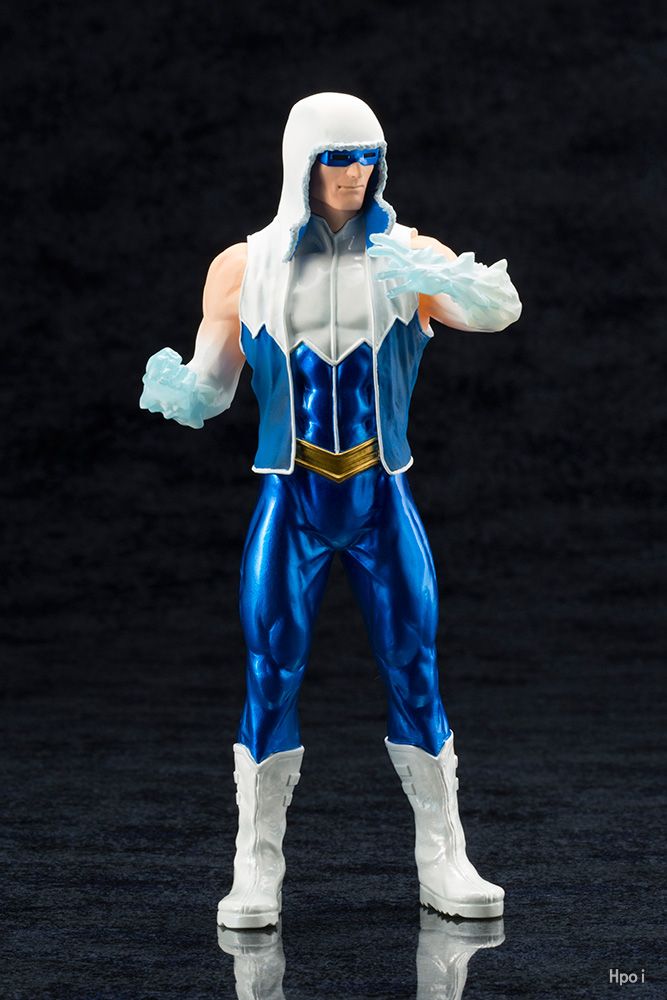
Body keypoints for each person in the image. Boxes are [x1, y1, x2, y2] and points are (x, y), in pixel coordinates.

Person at [140, 92, 522, 929]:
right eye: (335, 156)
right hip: (292, 495)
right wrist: (181, 390)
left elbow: (496, 311)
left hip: (382, 493)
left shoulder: (408, 253)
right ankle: (255, 868)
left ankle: (443, 857)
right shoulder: (245, 266)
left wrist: (437, 278)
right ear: (301, 163)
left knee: (414, 665)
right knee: (270, 671)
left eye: (366, 155)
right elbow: (213, 383)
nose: (353, 172)